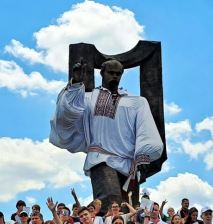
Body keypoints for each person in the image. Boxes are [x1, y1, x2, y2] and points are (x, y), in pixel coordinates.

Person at [49, 58, 164, 208]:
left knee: (130, 208)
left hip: (129, 163)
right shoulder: (88, 98)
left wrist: (143, 155)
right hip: (100, 158)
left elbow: (145, 129)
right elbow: (67, 114)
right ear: (102, 73)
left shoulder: (136, 102)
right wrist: (76, 85)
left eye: (118, 73)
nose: (115, 76)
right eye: (111, 72)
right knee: (110, 199)